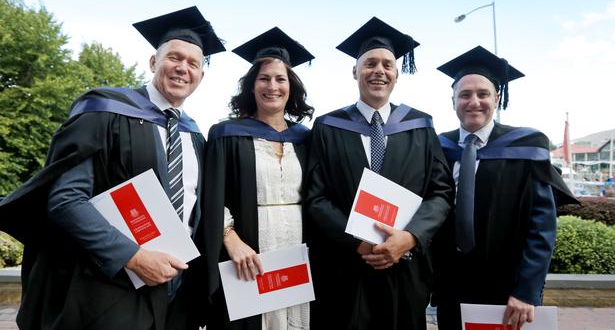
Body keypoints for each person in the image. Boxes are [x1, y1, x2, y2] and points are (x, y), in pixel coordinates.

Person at [0, 6, 225, 329]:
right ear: (153, 62)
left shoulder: (195, 135)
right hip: (109, 286)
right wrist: (133, 257)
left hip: (177, 296)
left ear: (201, 76)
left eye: (193, 63)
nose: (182, 68)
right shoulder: (105, 111)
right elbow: (66, 200)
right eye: (174, 57)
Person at [304, 17, 455, 330]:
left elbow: (441, 193)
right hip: (345, 269)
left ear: (397, 75)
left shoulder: (420, 126)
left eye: (387, 65)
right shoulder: (328, 126)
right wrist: (357, 241)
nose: (379, 71)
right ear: (355, 71)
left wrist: (409, 237)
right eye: (370, 63)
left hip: (405, 267)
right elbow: (315, 197)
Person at [432, 46, 577, 330]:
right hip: (452, 286)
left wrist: (526, 290)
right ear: (453, 101)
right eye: (465, 94)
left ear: (497, 98)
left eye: (483, 94)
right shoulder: (438, 147)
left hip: (508, 289)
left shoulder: (526, 146)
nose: (474, 101)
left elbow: (542, 226)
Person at [198, 27, 314, 330]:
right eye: (264, 78)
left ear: (292, 86)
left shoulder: (306, 139)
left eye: (280, 79)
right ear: (252, 86)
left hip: (297, 254)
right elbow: (211, 196)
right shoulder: (226, 135)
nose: (272, 86)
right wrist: (230, 239)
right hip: (246, 254)